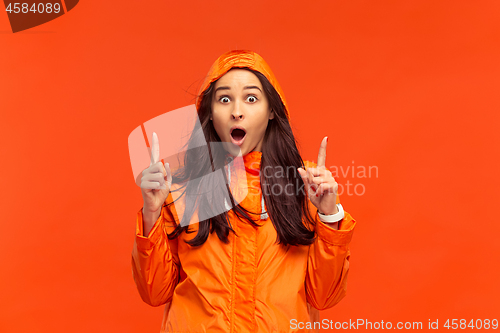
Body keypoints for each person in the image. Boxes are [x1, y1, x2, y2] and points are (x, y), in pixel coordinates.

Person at [131, 50, 357, 333]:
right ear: (210, 114)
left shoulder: (307, 185)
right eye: (224, 99)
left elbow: (324, 296)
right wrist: (152, 214)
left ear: (272, 110)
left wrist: (328, 217)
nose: (237, 110)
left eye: (251, 98)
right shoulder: (180, 188)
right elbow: (155, 293)